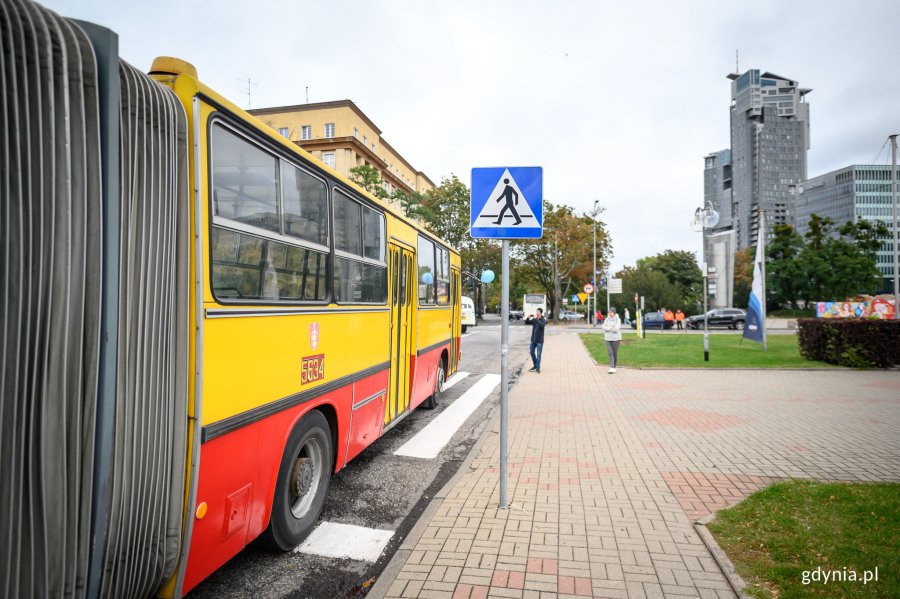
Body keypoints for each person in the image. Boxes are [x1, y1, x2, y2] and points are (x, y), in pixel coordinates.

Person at [525, 307, 546, 373]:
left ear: (540, 313)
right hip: (533, 340)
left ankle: (537, 368)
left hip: (539, 341)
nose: (536, 313)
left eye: (538, 312)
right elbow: (527, 323)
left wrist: (536, 319)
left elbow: (542, 325)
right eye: (536, 311)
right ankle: (535, 365)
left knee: (539, 355)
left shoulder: (543, 320)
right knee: (531, 352)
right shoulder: (534, 320)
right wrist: (528, 317)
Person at [601, 307, 622, 373]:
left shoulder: (617, 320)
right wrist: (610, 328)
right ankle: (611, 367)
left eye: (611, 312)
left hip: (616, 339)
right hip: (607, 338)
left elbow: (616, 329)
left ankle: (614, 367)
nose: (610, 313)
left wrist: (608, 328)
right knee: (610, 353)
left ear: (614, 313)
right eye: (609, 312)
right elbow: (603, 327)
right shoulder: (607, 319)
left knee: (614, 353)